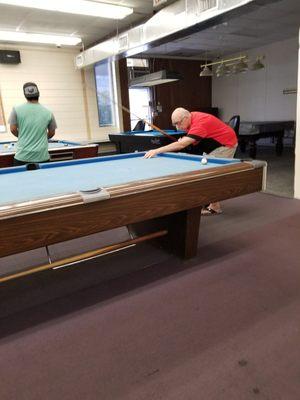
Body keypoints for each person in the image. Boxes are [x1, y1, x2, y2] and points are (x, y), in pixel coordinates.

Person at [144, 107, 238, 215]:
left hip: (226, 144)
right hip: (217, 143)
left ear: (185, 118)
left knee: (210, 173)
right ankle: (208, 200)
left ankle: (214, 206)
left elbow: (181, 145)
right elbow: (194, 137)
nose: (177, 127)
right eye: (174, 124)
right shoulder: (191, 116)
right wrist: (186, 139)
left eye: (178, 123)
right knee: (206, 171)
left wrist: (156, 151)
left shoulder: (200, 123)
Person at [8, 82, 57, 166]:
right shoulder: (48, 111)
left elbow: (12, 129)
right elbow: (52, 132)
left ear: (25, 95)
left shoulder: (16, 109)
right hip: (42, 157)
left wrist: (23, 136)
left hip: (22, 157)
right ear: (38, 94)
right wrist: (41, 138)